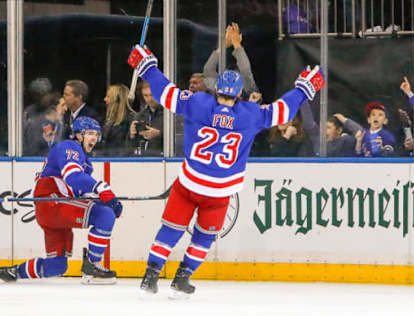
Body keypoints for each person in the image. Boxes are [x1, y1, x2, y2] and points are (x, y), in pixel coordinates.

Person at [127, 45, 324, 297]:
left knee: (171, 229)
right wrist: (304, 90)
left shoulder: (197, 102)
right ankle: (182, 278)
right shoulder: (250, 114)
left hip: (189, 184)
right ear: (239, 92)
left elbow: (165, 92)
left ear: (215, 88)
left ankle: (150, 277)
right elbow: (282, 110)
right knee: (204, 237)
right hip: (220, 192)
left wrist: (147, 67)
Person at [0, 116, 123, 285]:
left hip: (50, 209)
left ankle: (14, 271)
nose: (94, 138)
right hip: (53, 202)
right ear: (78, 135)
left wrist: (104, 200)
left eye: (96, 134)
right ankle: (93, 266)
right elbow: (73, 177)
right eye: (90, 133)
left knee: (57, 266)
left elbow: (78, 192)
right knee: (104, 216)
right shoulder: (70, 147)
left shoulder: (85, 162)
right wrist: (102, 189)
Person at [203, 22, 261, 101]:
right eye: (227, 77)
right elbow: (245, 72)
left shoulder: (248, 93)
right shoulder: (220, 88)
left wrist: (228, 46)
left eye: (234, 78)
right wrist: (236, 45)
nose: (230, 80)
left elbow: (245, 72)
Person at [128, 81, 164, 156]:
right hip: (143, 158)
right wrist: (132, 135)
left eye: (152, 95)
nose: (149, 99)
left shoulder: (169, 115)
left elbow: (179, 139)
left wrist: (160, 134)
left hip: (163, 158)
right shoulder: (139, 115)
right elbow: (128, 147)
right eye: (146, 95)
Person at [100, 84, 136, 156]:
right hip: (107, 157)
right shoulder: (108, 119)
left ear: (117, 100)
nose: (105, 99)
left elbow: (130, 145)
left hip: (123, 160)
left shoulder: (132, 119)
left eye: (108, 97)